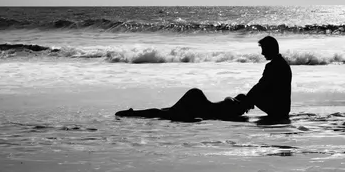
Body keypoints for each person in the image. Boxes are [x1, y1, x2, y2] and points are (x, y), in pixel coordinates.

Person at [115, 36, 292, 121]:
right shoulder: (280, 64)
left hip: (277, 109)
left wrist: (245, 101)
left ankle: (133, 113)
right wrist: (243, 100)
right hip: (278, 108)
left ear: (270, 48)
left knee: (169, 110)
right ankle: (134, 113)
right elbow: (261, 89)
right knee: (165, 110)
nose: (262, 53)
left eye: (263, 49)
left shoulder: (274, 66)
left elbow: (260, 88)